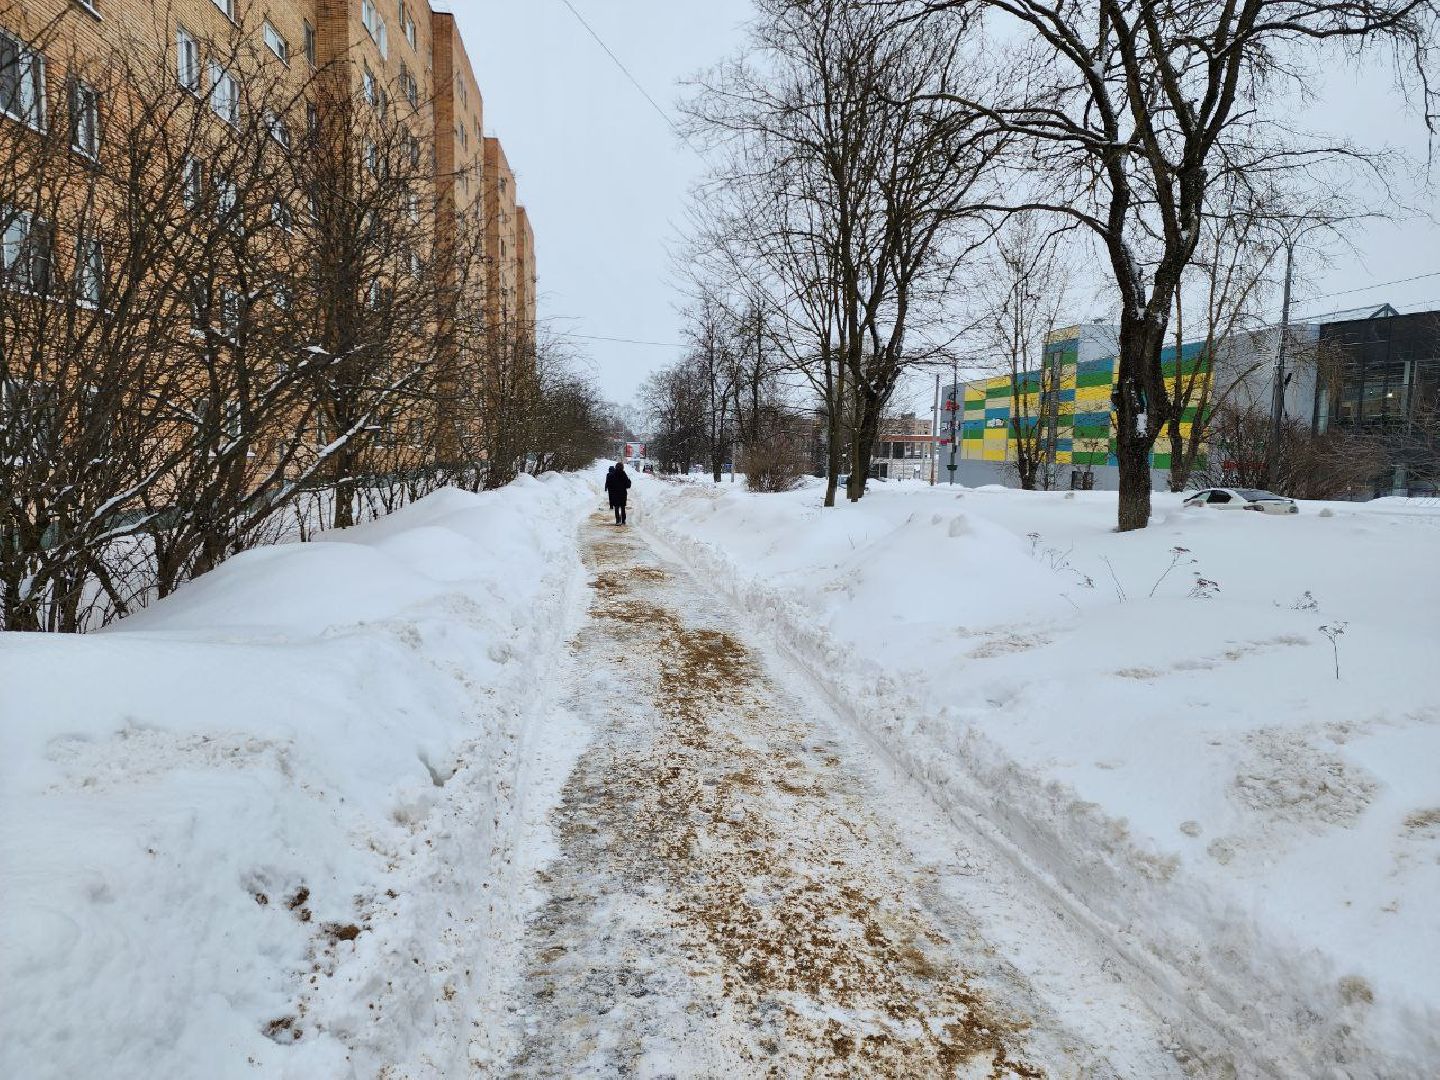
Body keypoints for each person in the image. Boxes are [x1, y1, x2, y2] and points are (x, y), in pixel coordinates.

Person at [604, 460, 632, 526]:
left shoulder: (612, 475)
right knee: (622, 507)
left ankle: (618, 520)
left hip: (615, 494)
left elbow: (609, 484)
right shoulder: (624, 474)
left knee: (616, 507)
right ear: (622, 467)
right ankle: (623, 521)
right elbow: (628, 485)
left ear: (615, 467)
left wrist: (611, 489)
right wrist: (629, 481)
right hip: (622, 494)